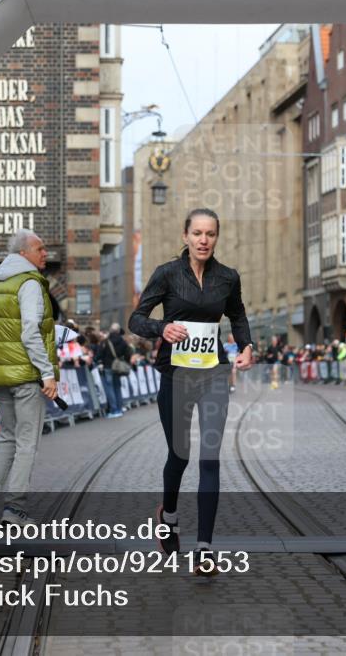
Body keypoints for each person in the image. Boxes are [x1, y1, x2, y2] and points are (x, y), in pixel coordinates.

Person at [129, 208, 254, 576]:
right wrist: (161, 329)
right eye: (197, 233)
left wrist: (246, 346)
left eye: (210, 234)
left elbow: (239, 315)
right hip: (176, 374)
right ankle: (167, 515)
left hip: (214, 374)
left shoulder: (228, 277)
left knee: (210, 458)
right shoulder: (167, 274)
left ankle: (205, 549)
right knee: (179, 456)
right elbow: (136, 318)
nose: (203, 240)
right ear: (185, 235)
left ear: (216, 237)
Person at [0, 229, 60, 527]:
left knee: (7, 436)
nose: (44, 252)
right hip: (26, 374)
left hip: (0, 375)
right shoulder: (30, 283)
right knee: (26, 442)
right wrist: (46, 373)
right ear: (24, 253)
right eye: (40, 248)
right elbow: (30, 331)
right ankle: (15, 508)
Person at [97, 323, 132, 418]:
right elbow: (128, 354)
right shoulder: (123, 342)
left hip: (108, 366)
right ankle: (120, 409)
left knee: (109, 388)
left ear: (110, 331)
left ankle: (114, 410)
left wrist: (101, 362)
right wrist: (124, 361)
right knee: (117, 388)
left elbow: (99, 354)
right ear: (118, 331)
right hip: (117, 367)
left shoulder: (105, 341)